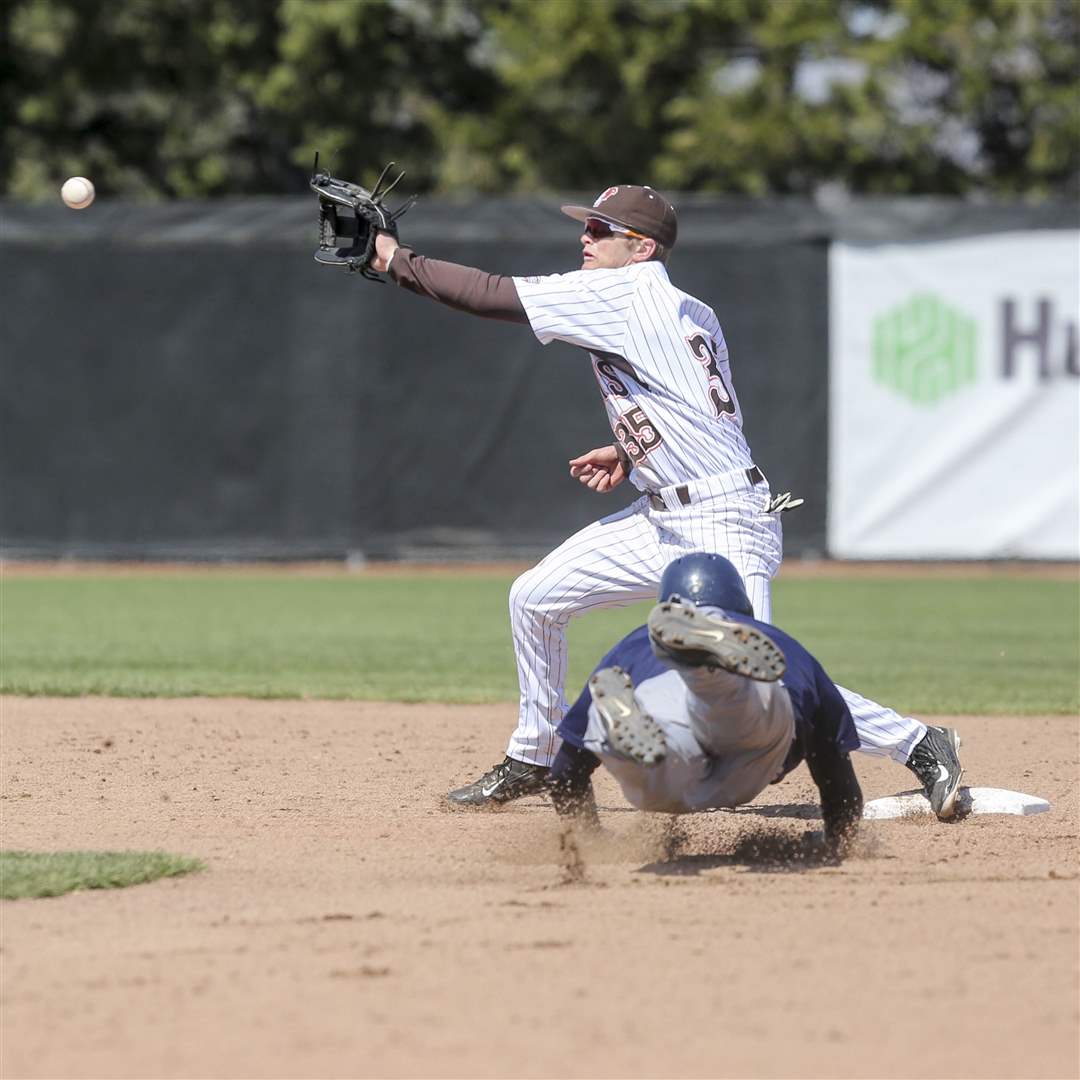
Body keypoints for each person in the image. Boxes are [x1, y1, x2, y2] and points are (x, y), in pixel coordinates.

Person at [369, 188, 963, 817]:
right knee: (535, 598)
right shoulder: (690, 308)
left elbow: (489, 293)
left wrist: (391, 259)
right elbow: (696, 410)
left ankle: (919, 742)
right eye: (587, 227)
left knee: (758, 679)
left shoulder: (619, 292)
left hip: (722, 518)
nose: (586, 238)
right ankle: (537, 754)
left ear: (642, 248)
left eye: (602, 230)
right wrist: (632, 452)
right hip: (663, 512)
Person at [545, 554, 938, 859]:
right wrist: (838, 841)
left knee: (654, 769)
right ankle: (712, 674)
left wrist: (588, 839)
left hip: (658, 696)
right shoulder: (787, 649)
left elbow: (566, 770)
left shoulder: (631, 647)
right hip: (760, 720)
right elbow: (836, 777)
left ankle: (631, 732)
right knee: (743, 710)